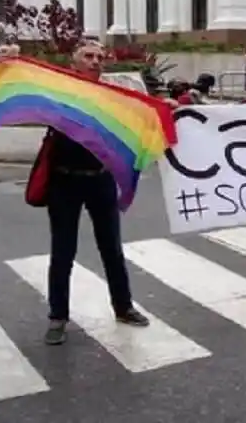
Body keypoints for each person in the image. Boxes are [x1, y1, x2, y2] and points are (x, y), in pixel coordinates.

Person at [41, 40, 150, 346]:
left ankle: (124, 306)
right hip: (64, 182)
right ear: (73, 60)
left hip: (100, 179)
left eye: (100, 57)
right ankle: (57, 316)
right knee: (63, 251)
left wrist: (170, 108)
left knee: (111, 248)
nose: (95, 61)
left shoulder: (111, 96)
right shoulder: (56, 90)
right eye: (88, 56)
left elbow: (142, 113)